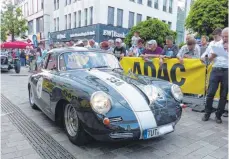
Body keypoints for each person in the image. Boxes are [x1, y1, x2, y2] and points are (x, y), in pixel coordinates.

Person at [201, 27, 228, 123]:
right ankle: (207, 113)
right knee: (210, 93)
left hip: (227, 71)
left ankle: (218, 115)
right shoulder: (215, 45)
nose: (225, 38)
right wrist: (212, 56)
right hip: (216, 69)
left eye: (227, 37)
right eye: (223, 36)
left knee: (223, 95)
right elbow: (207, 59)